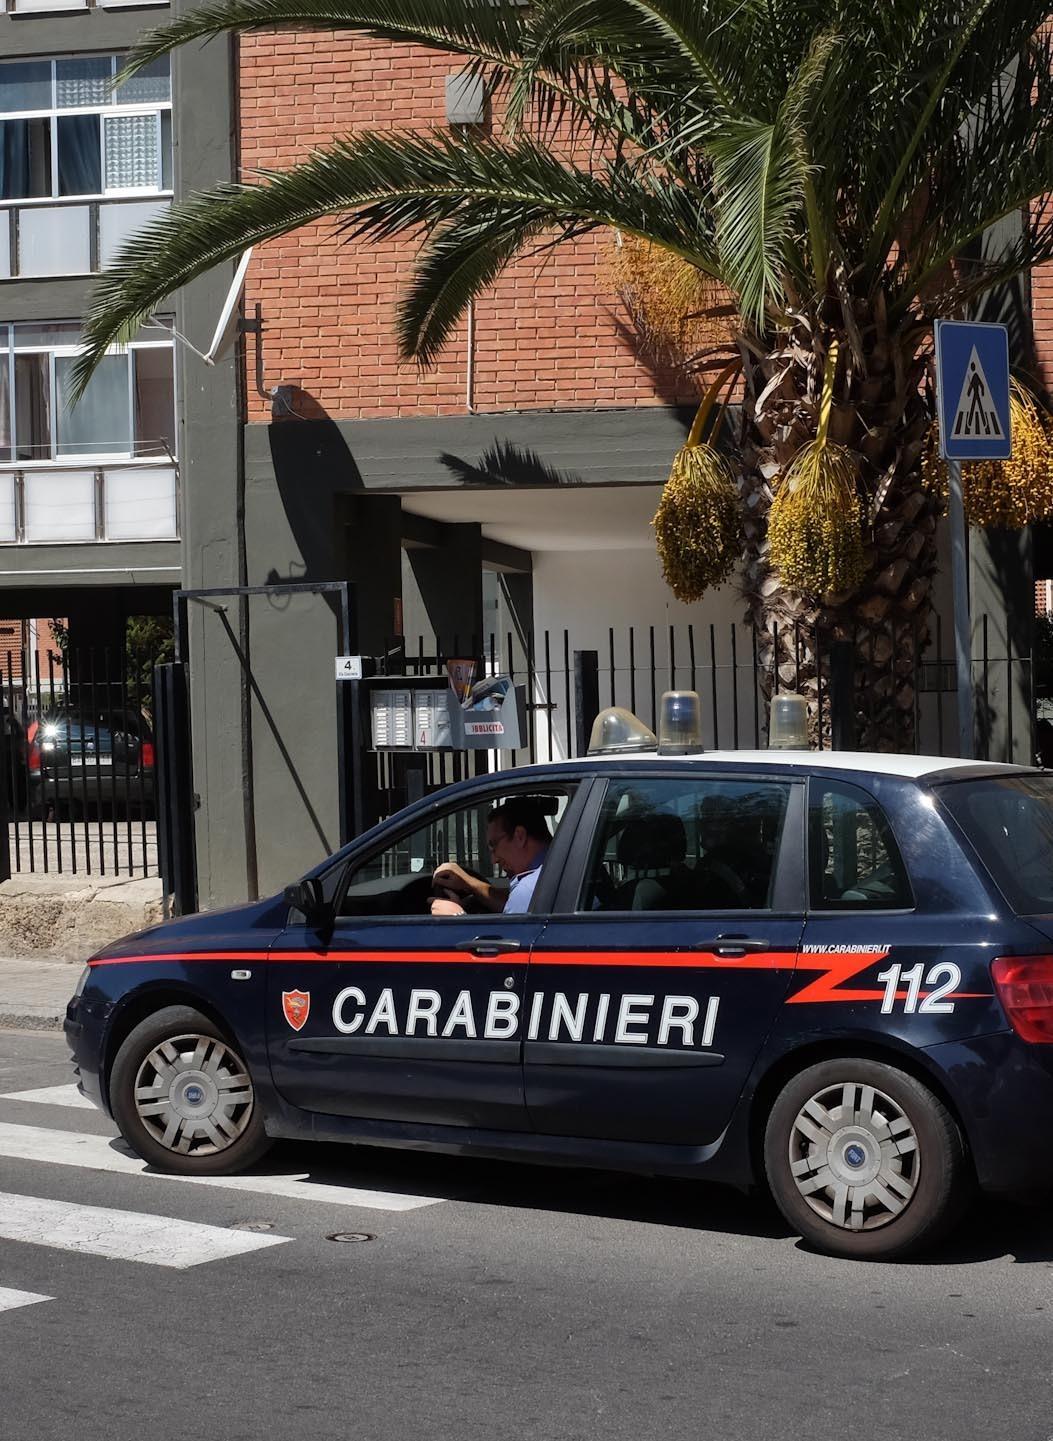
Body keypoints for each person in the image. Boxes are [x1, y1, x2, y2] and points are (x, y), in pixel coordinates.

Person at [430, 797, 551, 916]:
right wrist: (470, 884)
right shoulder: (551, 874)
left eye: (494, 846)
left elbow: (513, 935)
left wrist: (457, 916)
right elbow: (511, 906)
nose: (494, 860)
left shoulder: (528, 890)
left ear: (520, 836)